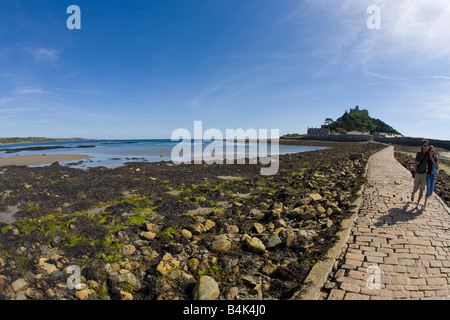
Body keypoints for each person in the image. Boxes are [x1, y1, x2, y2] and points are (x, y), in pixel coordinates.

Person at [411, 139, 429, 209]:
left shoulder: (427, 154)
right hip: (418, 173)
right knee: (416, 188)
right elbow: (416, 163)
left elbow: (431, 157)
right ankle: (413, 193)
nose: (425, 147)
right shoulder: (419, 153)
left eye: (426, 146)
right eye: (424, 145)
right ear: (422, 146)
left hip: (424, 174)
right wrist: (415, 173)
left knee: (421, 190)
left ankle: (417, 204)